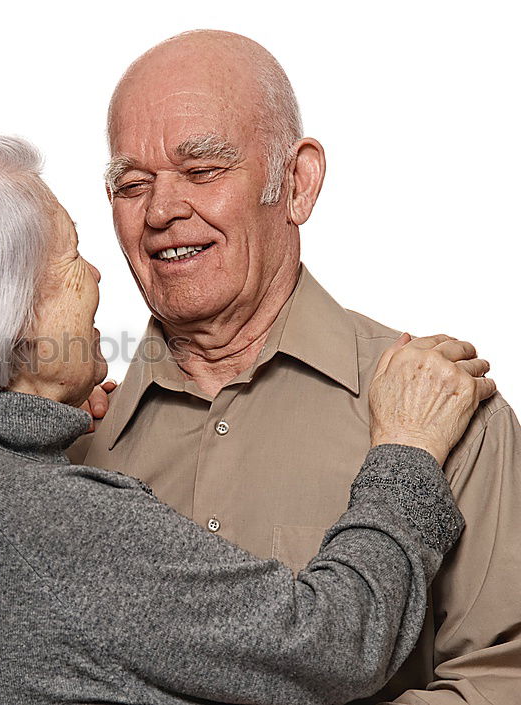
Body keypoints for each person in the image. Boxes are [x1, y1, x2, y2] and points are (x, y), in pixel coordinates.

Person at [0, 135, 495, 705]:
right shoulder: (55, 520)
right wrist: (406, 452)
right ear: (4, 314)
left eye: (203, 170)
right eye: (68, 258)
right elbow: (333, 643)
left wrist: (36, 426)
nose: (96, 275)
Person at [71, 30, 520, 704]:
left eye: (202, 171)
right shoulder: (71, 445)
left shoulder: (446, 409)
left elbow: (501, 675)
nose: (161, 211)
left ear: (297, 183)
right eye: (132, 184)